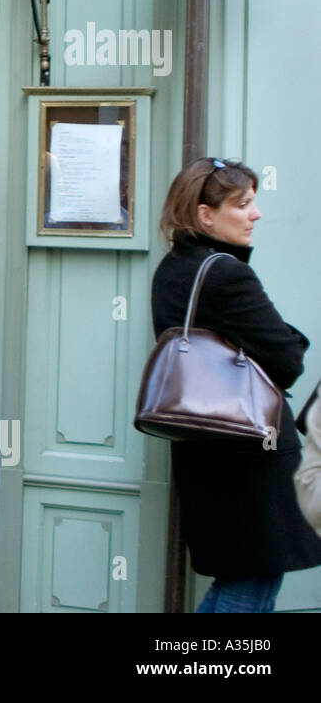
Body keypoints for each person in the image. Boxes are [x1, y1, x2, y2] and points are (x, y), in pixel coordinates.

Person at [151, 157, 321, 612]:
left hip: (206, 453)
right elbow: (287, 360)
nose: (255, 213)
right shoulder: (226, 274)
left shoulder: (173, 267)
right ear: (206, 214)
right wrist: (290, 339)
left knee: (238, 583)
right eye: (242, 204)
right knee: (250, 587)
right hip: (249, 460)